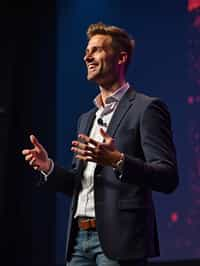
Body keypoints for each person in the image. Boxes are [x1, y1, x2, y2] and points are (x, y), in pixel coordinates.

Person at [22, 22, 179, 266]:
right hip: (78, 241)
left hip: (120, 243)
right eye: (86, 51)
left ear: (120, 58)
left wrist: (117, 160)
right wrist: (48, 167)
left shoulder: (146, 108)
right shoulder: (87, 118)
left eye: (96, 50)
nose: (87, 56)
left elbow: (167, 177)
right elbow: (81, 183)